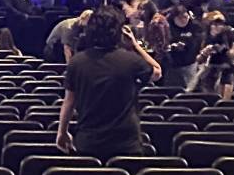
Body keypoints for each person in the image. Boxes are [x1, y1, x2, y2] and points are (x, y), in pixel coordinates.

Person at [57, 9, 161, 160]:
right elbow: (157, 72)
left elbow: (69, 102)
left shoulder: (77, 62)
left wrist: (62, 132)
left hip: (88, 141)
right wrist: (136, 46)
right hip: (126, 142)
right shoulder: (131, 61)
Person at [188, 22, 234, 99]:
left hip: (226, 74)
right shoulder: (205, 40)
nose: (217, 27)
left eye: (219, 25)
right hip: (208, 75)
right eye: (214, 25)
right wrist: (205, 53)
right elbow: (198, 60)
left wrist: (231, 52)